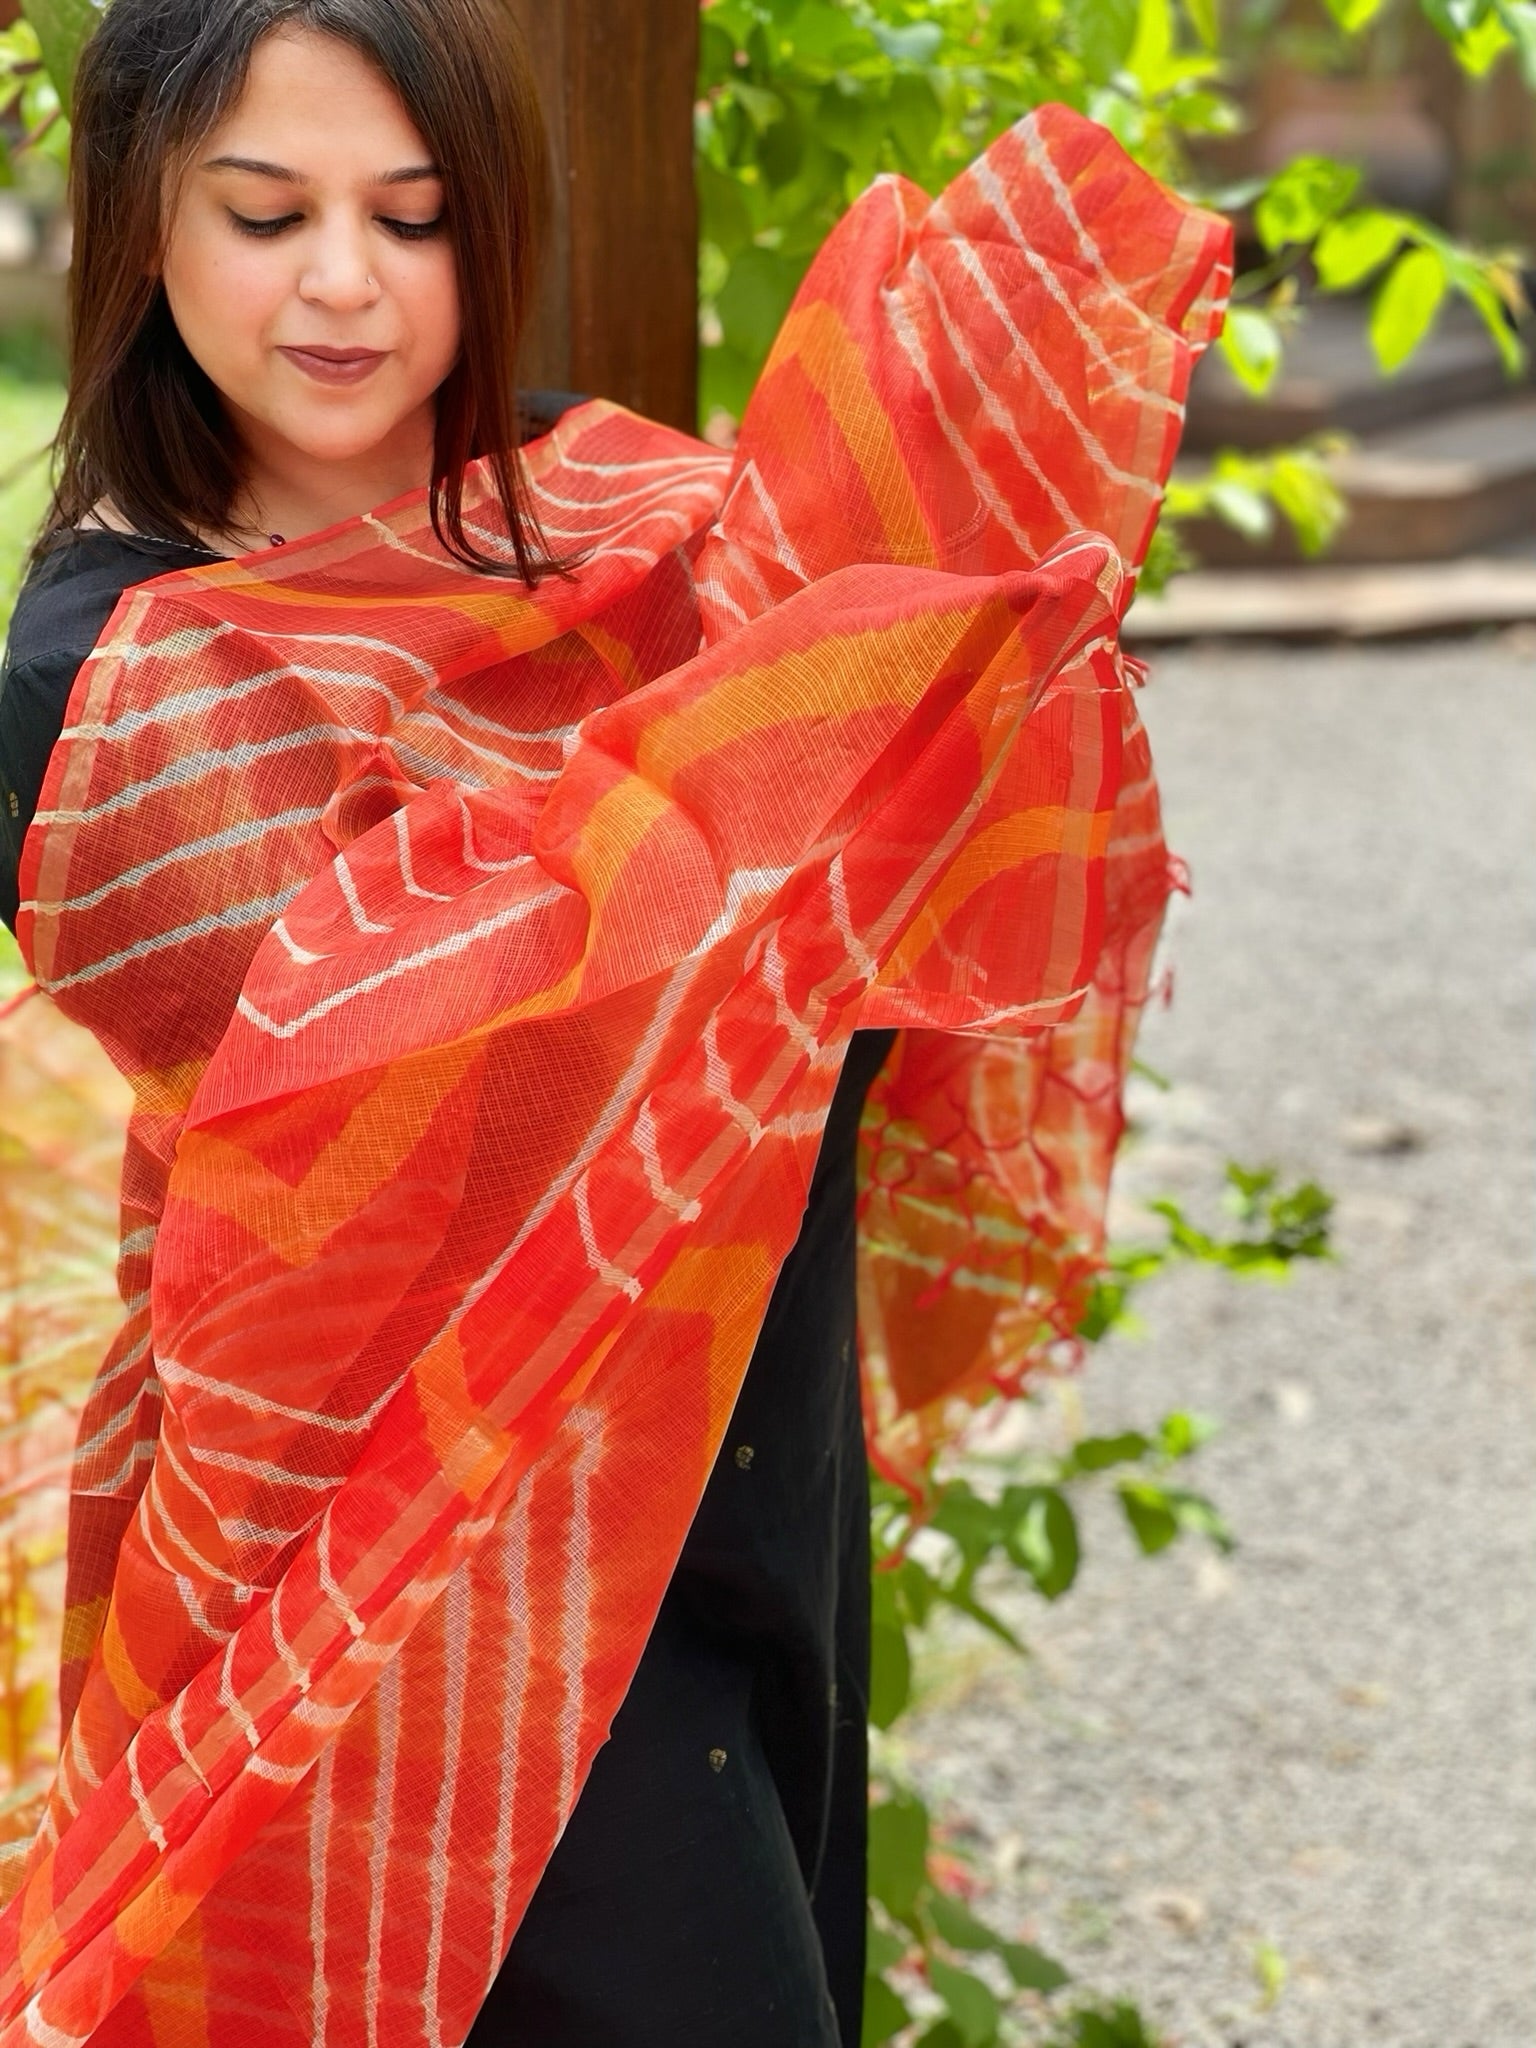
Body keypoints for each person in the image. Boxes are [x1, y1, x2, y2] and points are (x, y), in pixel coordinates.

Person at [0, 4, 1230, 2045]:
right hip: (405, 1560)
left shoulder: (623, 514)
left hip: (732, 1461)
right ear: (139, 222)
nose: (342, 282)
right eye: (266, 214)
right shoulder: (107, 686)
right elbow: (429, 1102)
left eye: (412, 218)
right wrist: (783, 797)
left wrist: (940, 590)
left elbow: (864, 927)